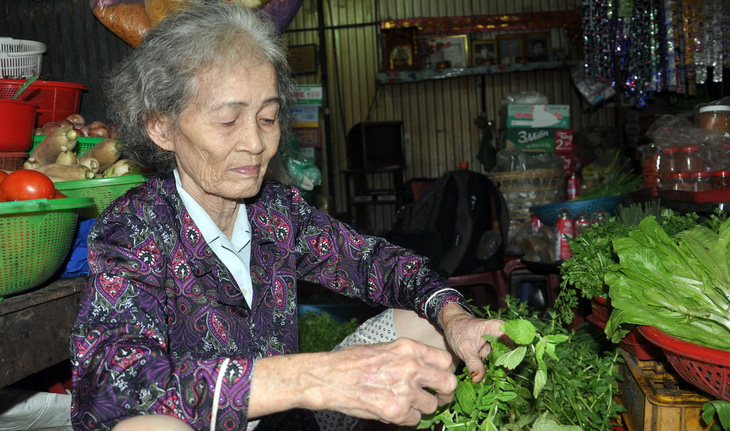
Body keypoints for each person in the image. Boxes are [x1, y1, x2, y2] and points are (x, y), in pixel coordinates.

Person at [69, 2, 506, 430]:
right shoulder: (134, 227)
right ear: (161, 127)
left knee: (426, 333)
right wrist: (314, 377)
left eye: (267, 118)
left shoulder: (275, 211)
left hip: (295, 419)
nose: (255, 144)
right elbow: (114, 385)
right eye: (227, 121)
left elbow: (379, 263)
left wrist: (455, 316)